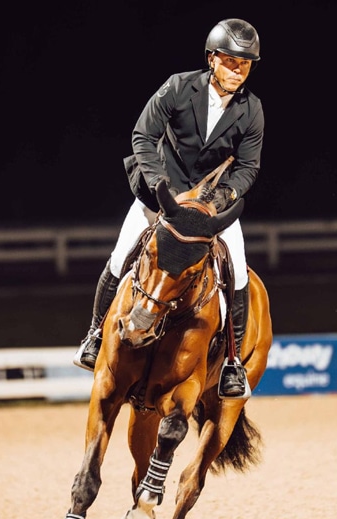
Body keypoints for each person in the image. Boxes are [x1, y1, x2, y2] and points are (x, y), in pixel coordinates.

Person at [73, 18, 265, 399]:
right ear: (212, 59)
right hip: (159, 198)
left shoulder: (252, 109)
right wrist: (164, 189)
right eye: (230, 61)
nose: (237, 70)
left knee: (238, 273)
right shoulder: (178, 87)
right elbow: (143, 135)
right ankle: (95, 334)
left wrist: (222, 199)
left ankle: (231, 363)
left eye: (244, 64)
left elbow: (248, 167)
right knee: (120, 258)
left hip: (208, 209)